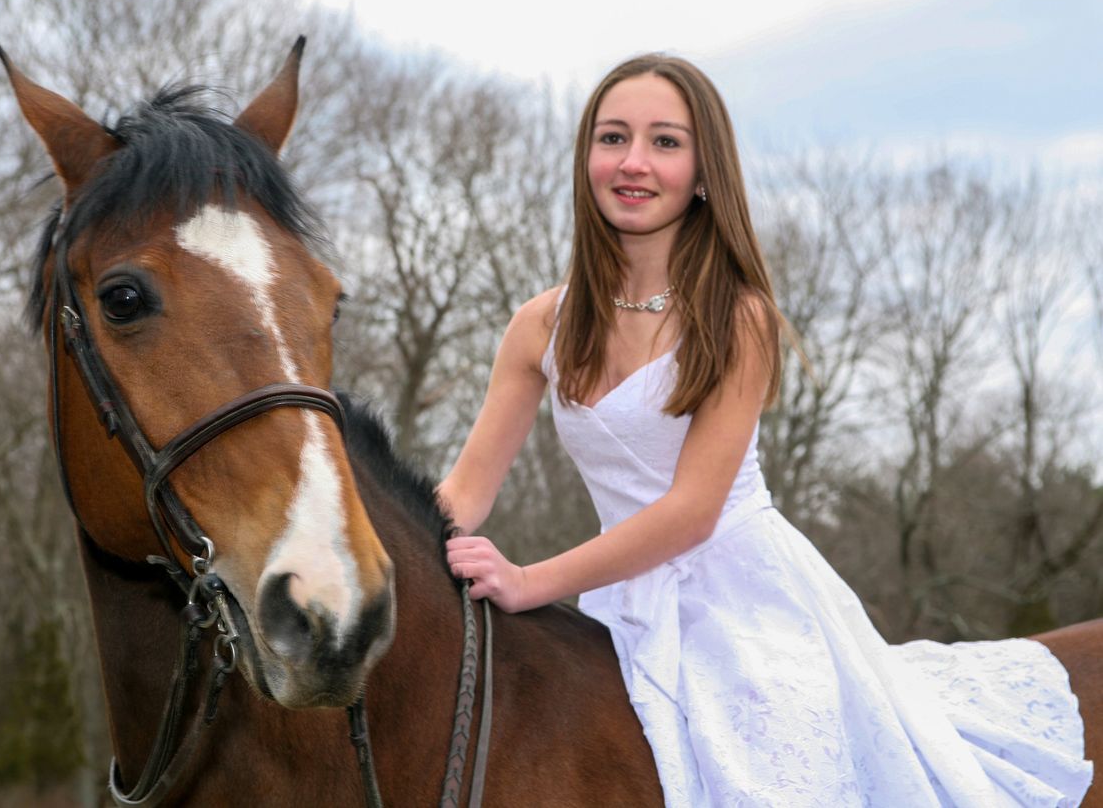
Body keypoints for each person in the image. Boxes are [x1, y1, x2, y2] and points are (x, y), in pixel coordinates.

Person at [439, 54, 1092, 806]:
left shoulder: (737, 317)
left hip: (747, 602)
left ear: (704, 168)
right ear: (587, 156)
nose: (634, 163)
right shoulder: (539, 326)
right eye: (613, 138)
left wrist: (528, 581)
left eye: (666, 142)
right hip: (622, 602)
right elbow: (464, 491)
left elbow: (691, 512)